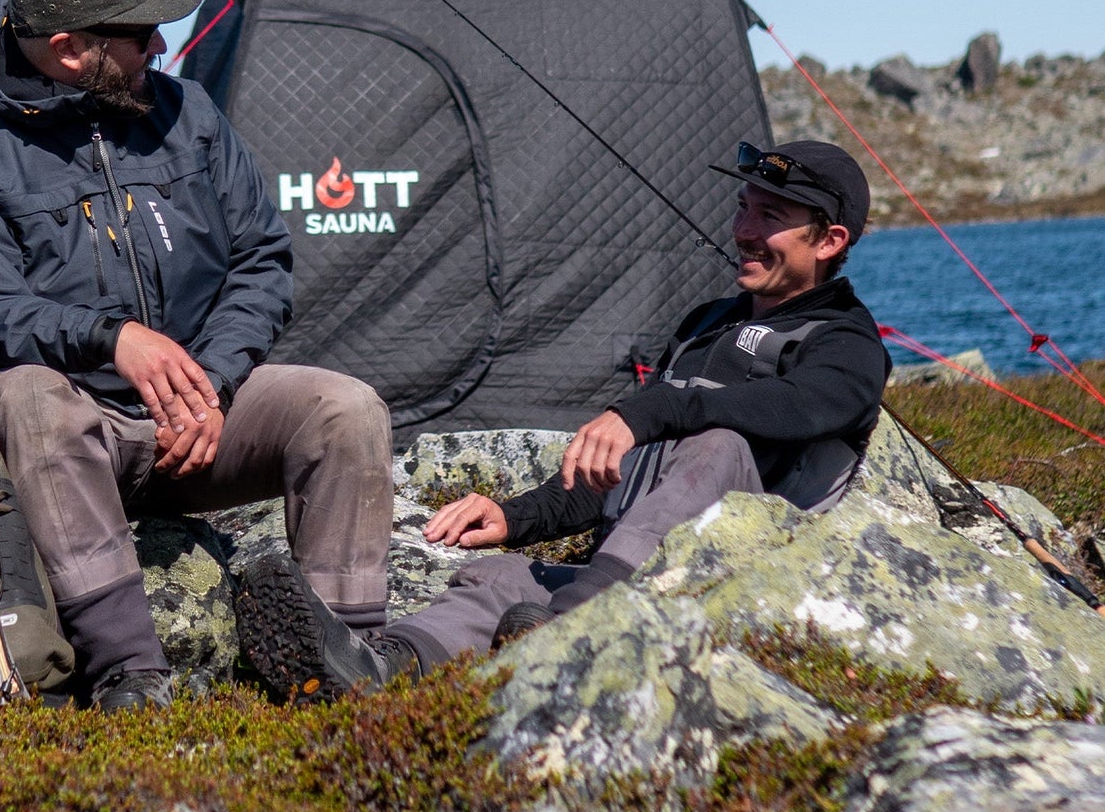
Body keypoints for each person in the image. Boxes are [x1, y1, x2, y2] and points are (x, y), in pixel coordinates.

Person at [0, 0, 393, 711]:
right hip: (75, 435)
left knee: (347, 408)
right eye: (140, 34)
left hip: (206, 419)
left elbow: (261, 260)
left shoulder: (188, 113)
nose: (161, 47)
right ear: (69, 49)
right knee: (27, 397)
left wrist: (213, 385)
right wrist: (111, 340)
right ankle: (129, 674)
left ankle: (346, 658)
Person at [234, 139, 890, 702]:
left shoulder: (846, 342)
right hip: (626, 582)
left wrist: (653, 409)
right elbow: (623, 476)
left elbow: (801, 405)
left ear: (830, 241)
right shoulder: (706, 326)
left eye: (769, 216)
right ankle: (375, 670)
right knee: (496, 579)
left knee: (716, 444)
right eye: (743, 206)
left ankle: (570, 629)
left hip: (738, 586)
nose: (743, 229)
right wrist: (515, 516)